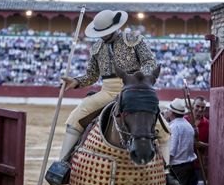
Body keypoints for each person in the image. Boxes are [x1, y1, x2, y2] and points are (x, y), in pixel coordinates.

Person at [59, 9, 171, 164]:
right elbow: (92, 75)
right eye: (101, 33)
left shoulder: (134, 39)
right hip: (107, 91)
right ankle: (63, 163)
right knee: (75, 118)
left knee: (163, 130)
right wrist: (77, 81)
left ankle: (167, 172)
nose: (103, 36)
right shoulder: (97, 47)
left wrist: (137, 79)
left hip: (134, 90)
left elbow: (149, 62)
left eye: (106, 32)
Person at [167, 98, 197, 185]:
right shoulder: (188, 125)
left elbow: (171, 152)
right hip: (189, 166)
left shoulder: (173, 127)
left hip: (177, 167)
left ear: (172, 112)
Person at [184, 96, 209, 185]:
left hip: (198, 164)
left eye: (202, 108)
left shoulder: (208, 124)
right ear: (192, 106)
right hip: (183, 162)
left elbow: (213, 145)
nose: (199, 109)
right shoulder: (184, 120)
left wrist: (203, 145)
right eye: (197, 106)